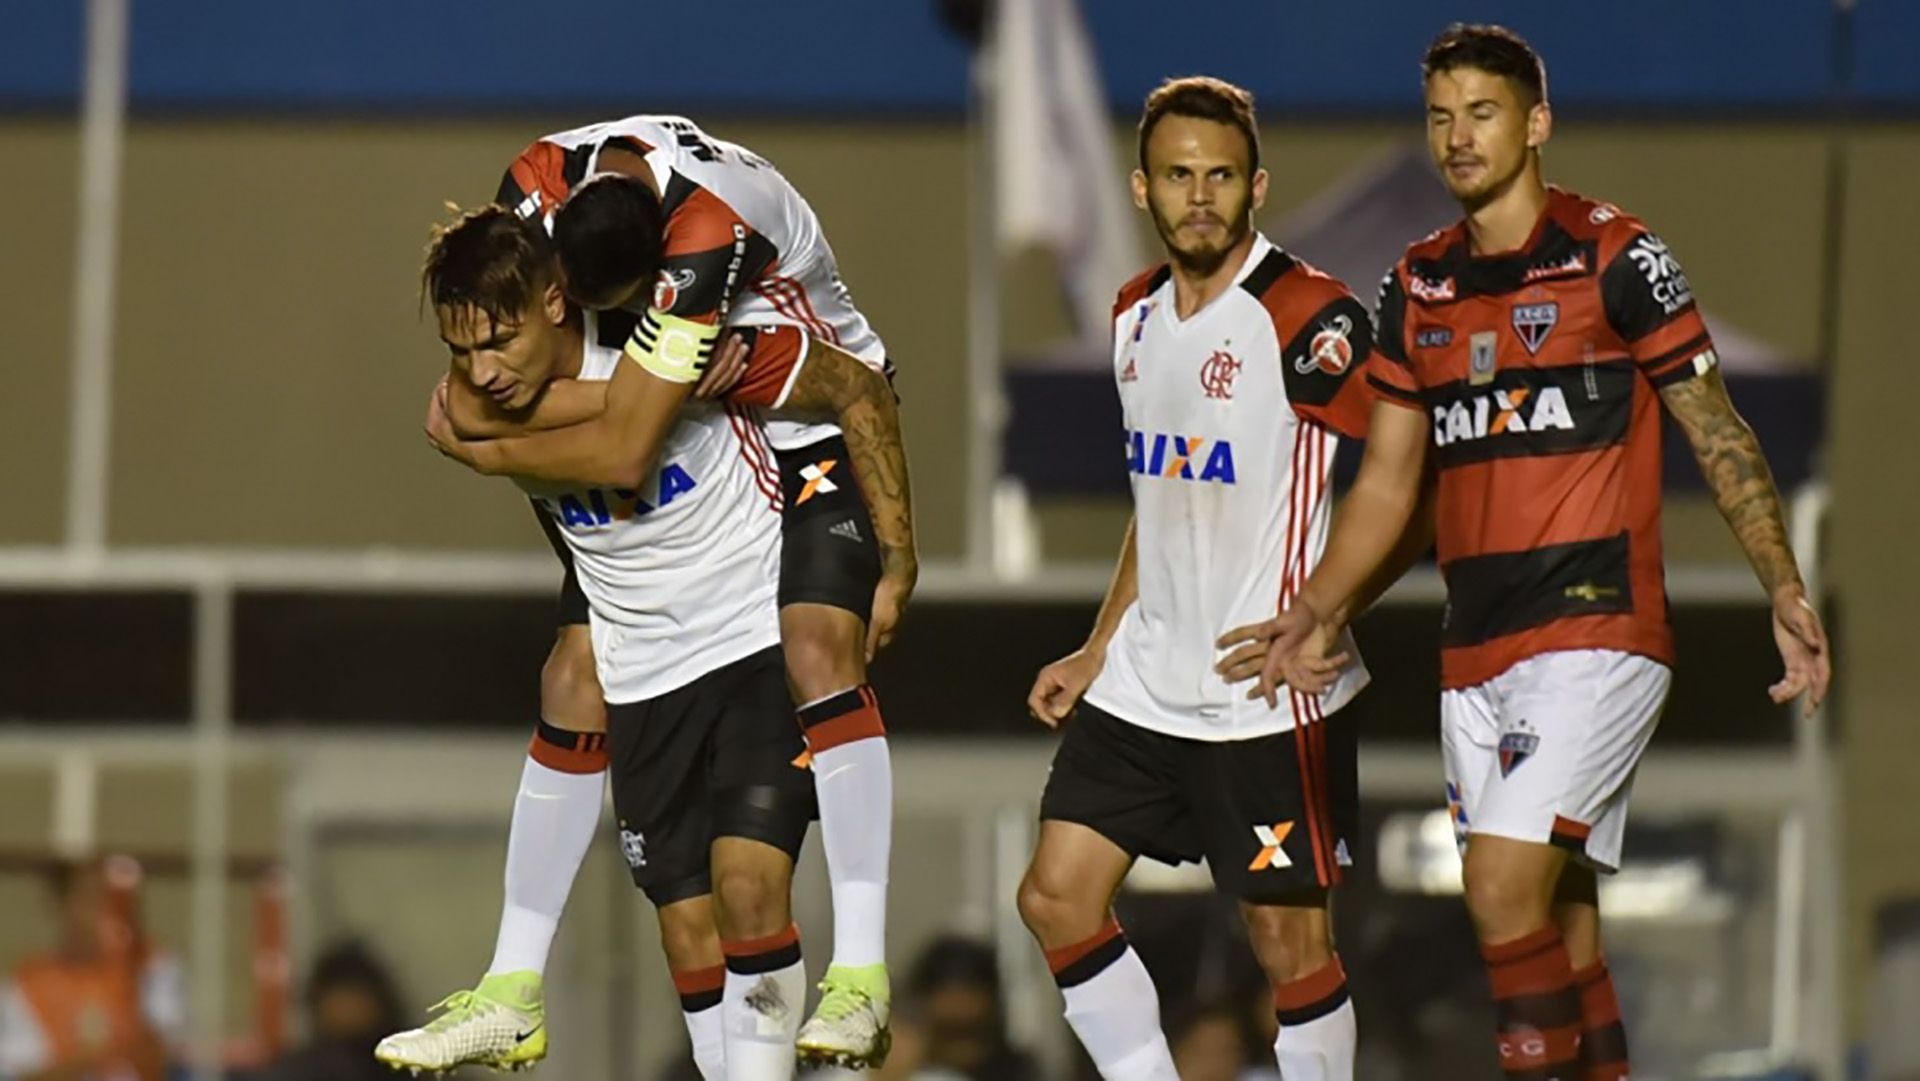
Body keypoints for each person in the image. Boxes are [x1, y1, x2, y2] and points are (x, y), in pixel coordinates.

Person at [1244, 24, 1833, 1081]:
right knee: (1561, 927)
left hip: (1596, 632)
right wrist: (1320, 604)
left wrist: (1781, 584)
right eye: (1441, 117)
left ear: (1536, 123)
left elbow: (1715, 426)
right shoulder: (1416, 285)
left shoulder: (1616, 256)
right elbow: (1388, 482)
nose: (1459, 138)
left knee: (1499, 889)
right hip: (1475, 653)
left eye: (1482, 113)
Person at [422, 114, 913, 1070]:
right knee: (574, 678)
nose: (483, 372)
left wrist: (898, 559)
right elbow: (480, 387)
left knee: (815, 657)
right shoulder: (531, 196)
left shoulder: (703, 254)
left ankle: (862, 969)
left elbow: (626, 443)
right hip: (660, 573)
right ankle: (513, 983)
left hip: (804, 426)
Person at [1015, 77, 1389, 1081]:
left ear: (1255, 185)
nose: (1200, 196)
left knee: (1287, 948)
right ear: (1142, 189)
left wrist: (1333, 608)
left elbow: (1410, 469)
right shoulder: (1133, 314)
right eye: (1179, 176)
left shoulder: (1309, 317)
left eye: (1220, 176)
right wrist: (1100, 645)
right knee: (1055, 897)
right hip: (1146, 677)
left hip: (1264, 691)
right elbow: (1160, 495)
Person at [0, 860, 181, 1081]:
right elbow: (22, 1074)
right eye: (92, 901)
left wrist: (129, 978)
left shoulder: (151, 965)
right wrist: (90, 1058)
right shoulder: (27, 984)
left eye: (115, 902)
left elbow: (159, 1062)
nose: (106, 914)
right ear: (63, 906)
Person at [260, 940, 404, 1081]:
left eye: (353, 994)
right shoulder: (304, 1068)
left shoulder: (403, 1063)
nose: (347, 1008)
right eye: (341, 997)